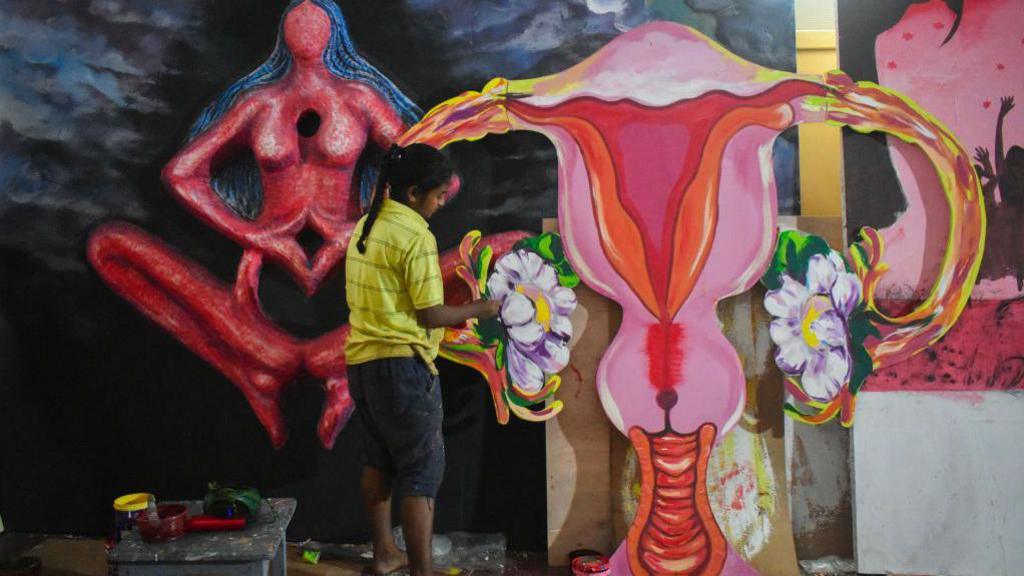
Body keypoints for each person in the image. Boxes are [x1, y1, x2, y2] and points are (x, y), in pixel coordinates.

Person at [345, 143, 501, 576]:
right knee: (421, 472)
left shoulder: (367, 225)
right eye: (436, 197)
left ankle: (383, 555)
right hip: (402, 368)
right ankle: (422, 571)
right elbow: (430, 314)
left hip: (362, 364)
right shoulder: (415, 236)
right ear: (414, 193)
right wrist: (479, 309)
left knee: (378, 462)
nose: (439, 206)